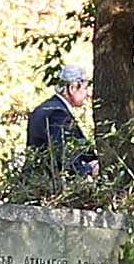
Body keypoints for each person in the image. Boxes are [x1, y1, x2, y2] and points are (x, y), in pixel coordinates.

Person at [23, 56, 97, 185]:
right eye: (85, 88)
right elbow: (63, 155)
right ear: (73, 88)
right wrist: (89, 168)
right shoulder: (57, 113)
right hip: (45, 186)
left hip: (35, 183)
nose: (89, 93)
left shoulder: (45, 108)